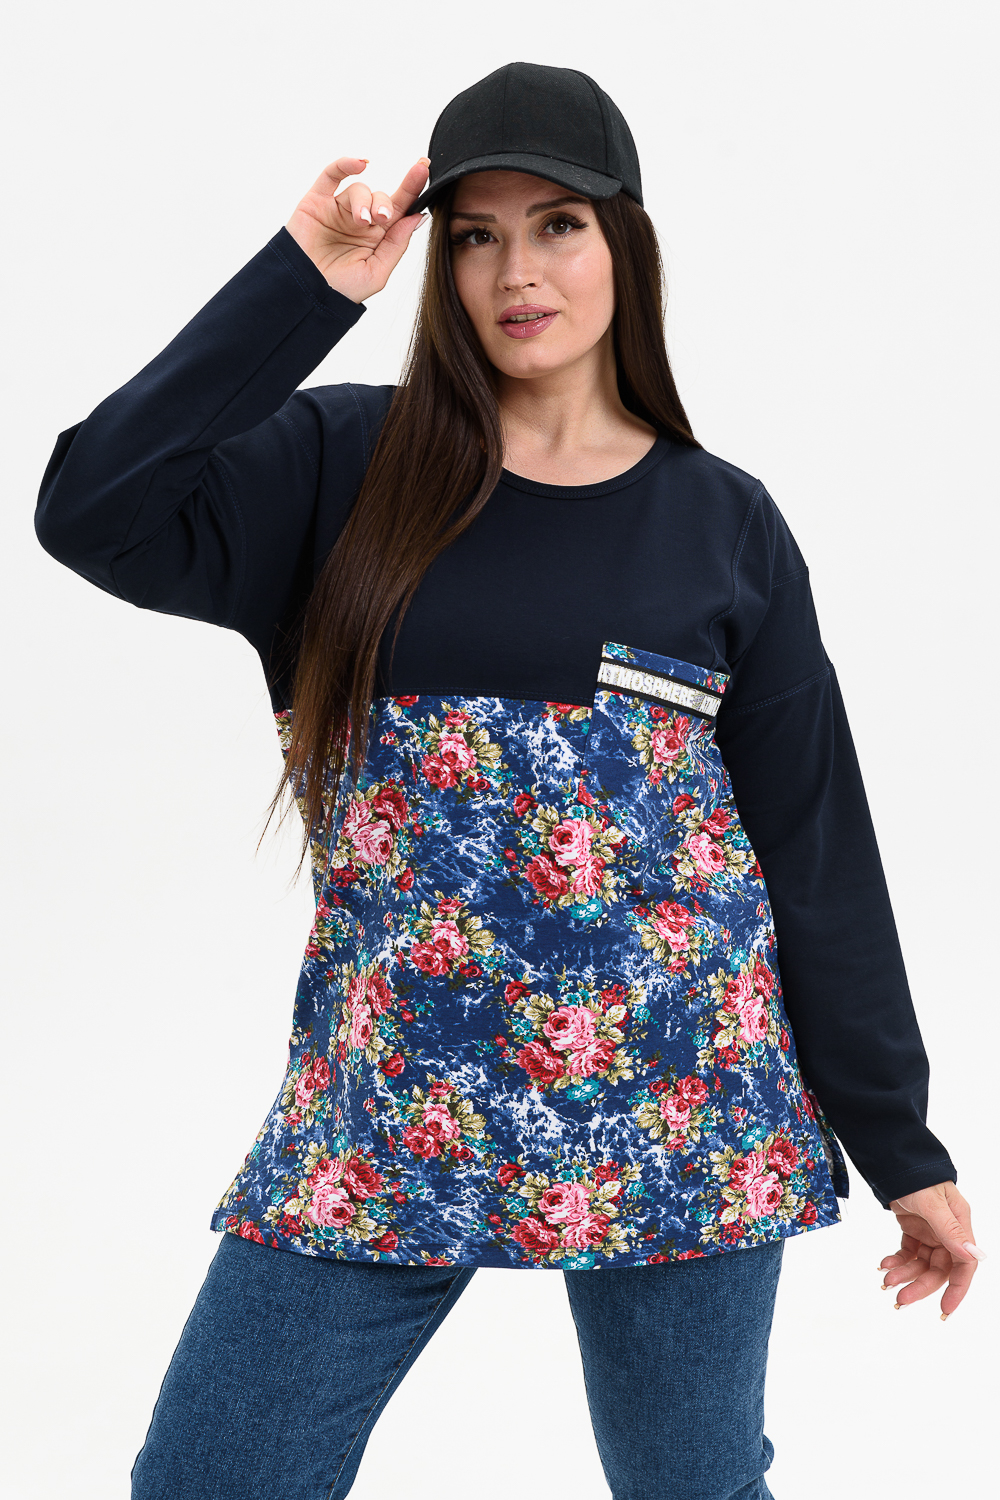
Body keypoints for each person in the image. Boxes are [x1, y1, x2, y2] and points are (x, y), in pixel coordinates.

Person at [35, 60, 981, 1500]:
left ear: (626, 245)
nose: (516, 272)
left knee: (691, 1486)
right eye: (476, 235)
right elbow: (91, 507)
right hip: (386, 1108)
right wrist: (305, 282)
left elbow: (814, 849)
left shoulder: (723, 524)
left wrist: (900, 1142)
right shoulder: (341, 468)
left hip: (682, 1110)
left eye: (558, 226)